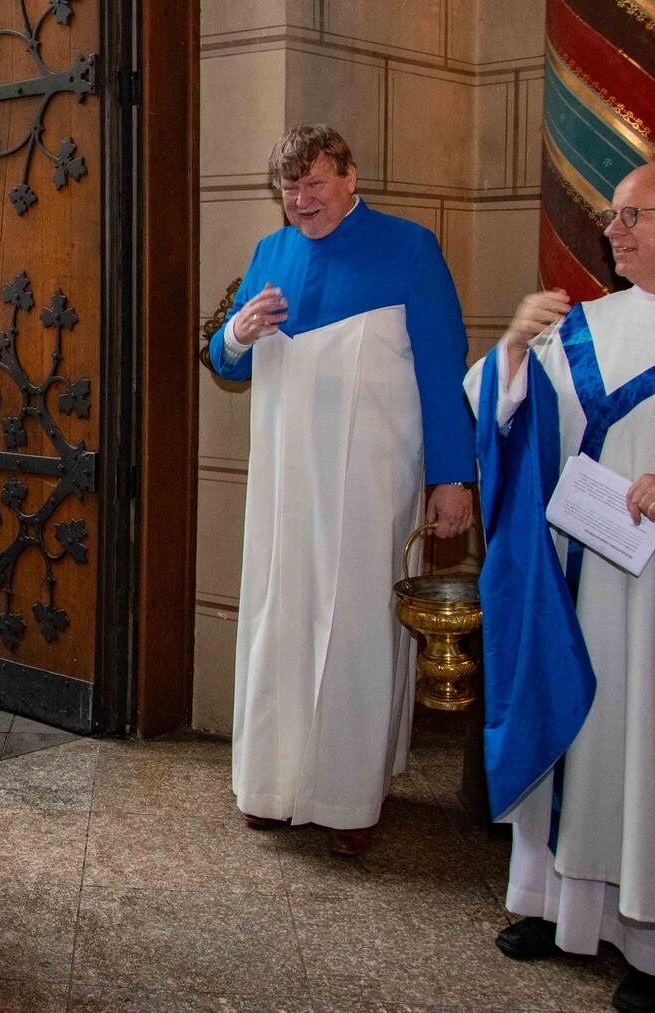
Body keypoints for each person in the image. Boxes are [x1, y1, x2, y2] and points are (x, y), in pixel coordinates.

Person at [207, 124, 476, 856]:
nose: (301, 200)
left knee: (356, 623)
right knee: (279, 614)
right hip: (283, 487)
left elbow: (444, 368)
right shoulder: (271, 252)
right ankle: (271, 780)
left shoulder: (409, 247)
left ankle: (349, 794)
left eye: (316, 183)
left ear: (351, 177)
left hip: (369, 484)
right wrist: (234, 333)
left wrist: (452, 477)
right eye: (289, 189)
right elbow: (226, 361)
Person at [465, 160, 655, 1013]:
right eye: (613, 216)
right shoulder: (584, 324)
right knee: (578, 727)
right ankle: (558, 906)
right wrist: (514, 346)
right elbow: (500, 413)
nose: (614, 231)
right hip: (576, 575)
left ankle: (652, 936)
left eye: (635, 215)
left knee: (645, 742)